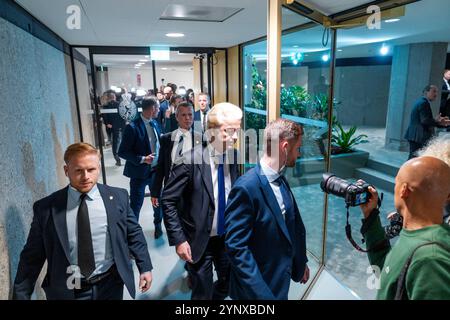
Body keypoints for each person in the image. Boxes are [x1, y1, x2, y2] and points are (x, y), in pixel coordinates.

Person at [13, 143, 153, 300]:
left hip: (110, 284)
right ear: (67, 171)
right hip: (69, 288)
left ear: (98, 168)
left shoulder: (118, 197)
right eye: (78, 170)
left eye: (91, 169)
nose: (86, 176)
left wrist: (145, 267)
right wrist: (21, 295)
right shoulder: (46, 209)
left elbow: (133, 233)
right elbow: (32, 257)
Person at [161, 102, 243, 300]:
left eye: (237, 131)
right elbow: (168, 200)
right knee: (202, 293)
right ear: (211, 131)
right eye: (228, 131)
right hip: (199, 241)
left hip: (226, 239)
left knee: (228, 285)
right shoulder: (189, 160)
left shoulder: (233, 156)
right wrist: (179, 240)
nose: (234, 137)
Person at [224, 118, 309, 300]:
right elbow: (237, 249)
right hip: (258, 291)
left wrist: (300, 263)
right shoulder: (246, 188)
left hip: (280, 280)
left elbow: (292, 225)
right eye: (298, 148)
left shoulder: (281, 179)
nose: (299, 154)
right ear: (284, 147)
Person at [359, 156, 450, 299]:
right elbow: (388, 274)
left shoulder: (430, 259)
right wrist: (370, 214)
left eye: (396, 182)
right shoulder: (420, 234)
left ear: (404, 190)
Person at [150, 102, 201, 239]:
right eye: (183, 115)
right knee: (176, 222)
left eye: (190, 115)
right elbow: (160, 167)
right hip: (172, 188)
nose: (187, 118)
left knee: (192, 223)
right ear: (177, 117)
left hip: (193, 189)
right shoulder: (166, 139)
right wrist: (155, 192)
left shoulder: (201, 139)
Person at [118, 97, 162, 231]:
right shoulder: (132, 127)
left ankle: (158, 226)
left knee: (158, 202)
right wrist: (143, 159)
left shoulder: (155, 123)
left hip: (155, 171)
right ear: (153, 108)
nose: (159, 110)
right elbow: (122, 152)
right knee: (136, 205)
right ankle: (132, 231)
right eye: (158, 108)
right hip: (139, 173)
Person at [404, 85, 450, 159]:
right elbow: (425, 121)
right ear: (426, 92)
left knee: (414, 158)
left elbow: (425, 120)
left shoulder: (421, 102)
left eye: (437, 92)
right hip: (418, 136)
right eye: (434, 91)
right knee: (414, 158)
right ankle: (405, 170)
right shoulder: (423, 103)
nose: (436, 94)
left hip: (416, 135)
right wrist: (438, 121)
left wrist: (438, 121)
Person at [102, 92, 126, 166]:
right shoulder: (120, 104)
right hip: (122, 126)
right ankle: (127, 157)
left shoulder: (106, 106)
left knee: (115, 143)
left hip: (113, 127)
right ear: (114, 97)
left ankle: (117, 158)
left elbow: (105, 116)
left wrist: (107, 123)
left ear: (108, 98)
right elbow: (124, 115)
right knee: (124, 141)